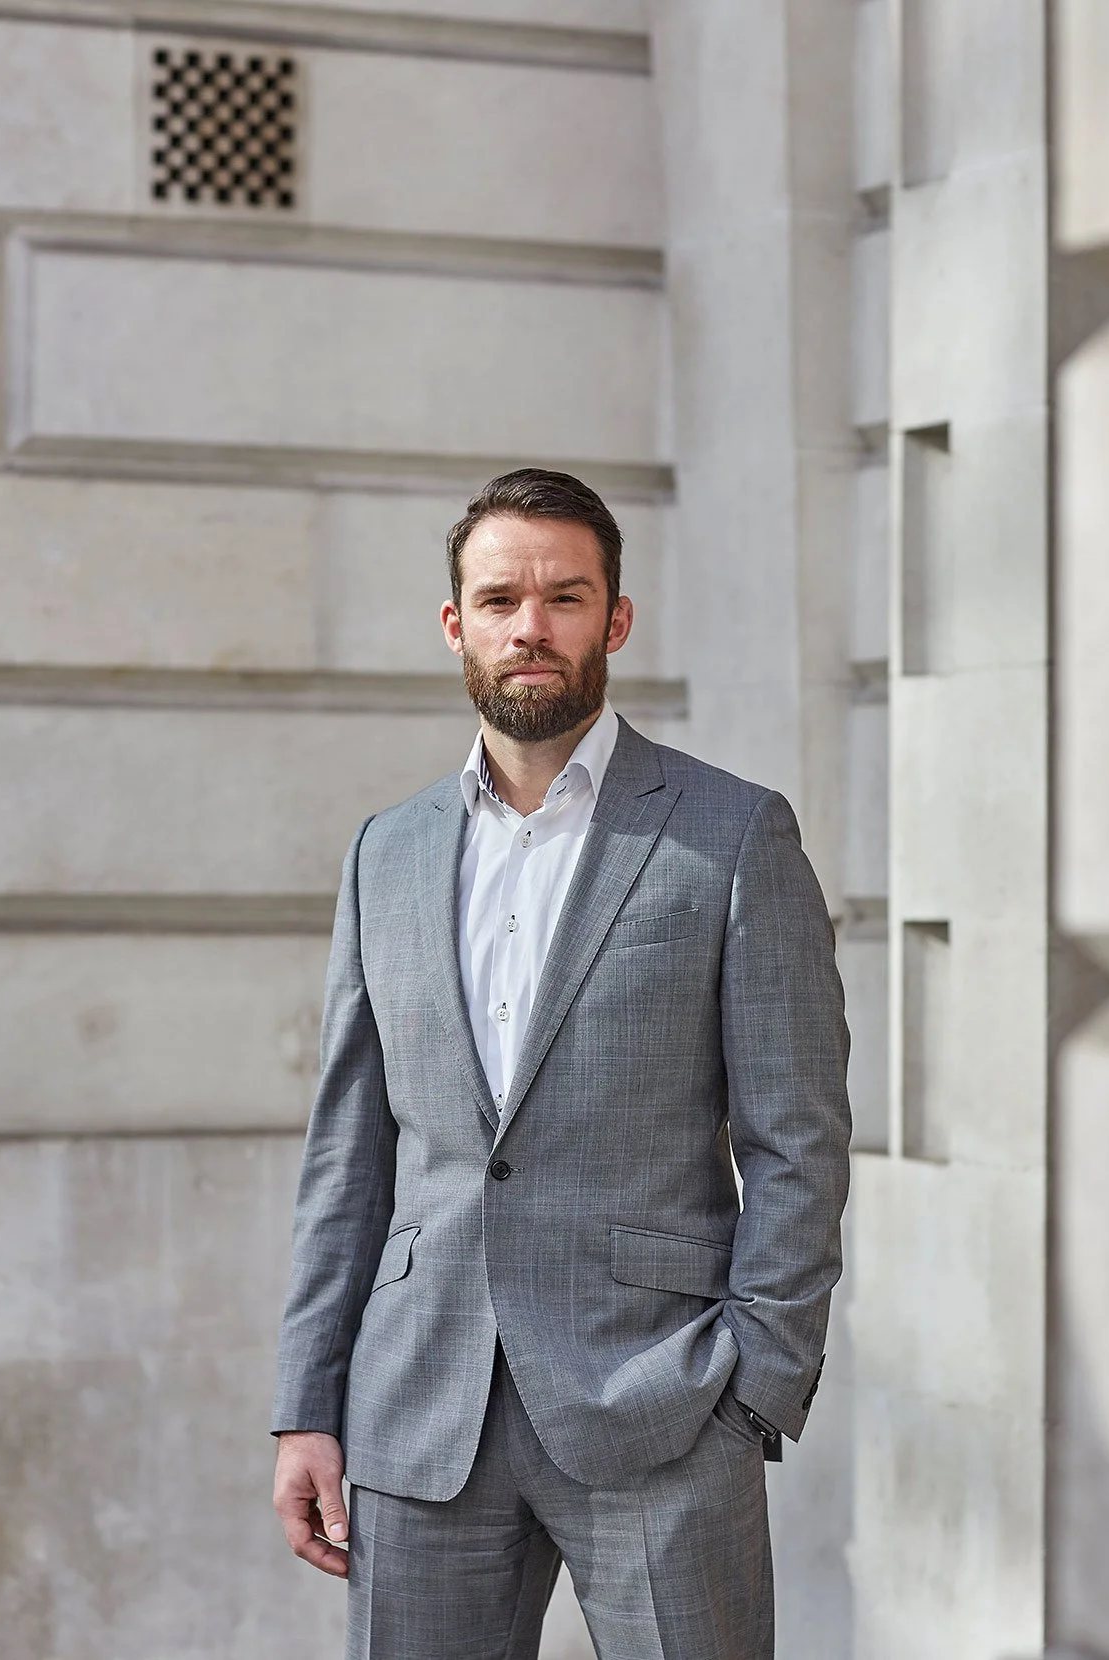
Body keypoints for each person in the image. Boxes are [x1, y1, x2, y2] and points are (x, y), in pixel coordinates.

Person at [271, 468, 851, 1660]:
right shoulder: (385, 853)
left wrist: (754, 1386)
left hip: (662, 1406)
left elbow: (797, 1136)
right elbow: (348, 1156)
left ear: (615, 620)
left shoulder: (731, 833)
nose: (529, 626)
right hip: (417, 1411)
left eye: (564, 597)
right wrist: (305, 1406)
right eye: (499, 600)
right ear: (456, 626)